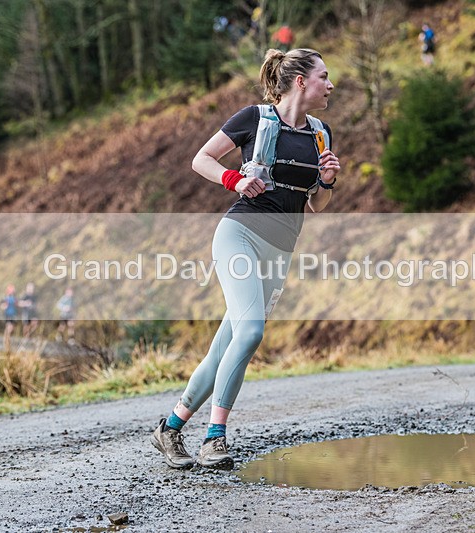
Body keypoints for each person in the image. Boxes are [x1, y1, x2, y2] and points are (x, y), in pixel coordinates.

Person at [150, 48, 340, 469]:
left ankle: (169, 427)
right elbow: (201, 159)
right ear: (300, 81)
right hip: (239, 235)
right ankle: (215, 437)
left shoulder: (322, 133)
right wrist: (235, 180)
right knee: (251, 331)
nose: (331, 85)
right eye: (324, 76)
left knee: (224, 347)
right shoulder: (253, 118)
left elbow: (316, 206)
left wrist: (327, 181)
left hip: (280, 250)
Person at [0, 284, 17, 351]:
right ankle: (6, 343)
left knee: (11, 329)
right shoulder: (5, 298)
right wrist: (4, 306)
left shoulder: (14, 298)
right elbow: (2, 305)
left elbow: (17, 304)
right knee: (9, 329)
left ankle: (7, 342)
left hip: (13, 316)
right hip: (8, 316)